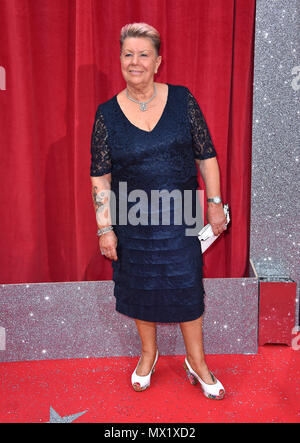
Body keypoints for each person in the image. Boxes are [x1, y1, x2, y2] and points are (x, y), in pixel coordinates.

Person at [90, 22, 227, 400]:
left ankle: (196, 361)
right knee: (140, 289)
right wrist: (106, 229)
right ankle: (148, 355)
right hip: (132, 221)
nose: (135, 62)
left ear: (158, 61)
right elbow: (100, 178)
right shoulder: (106, 114)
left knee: (187, 289)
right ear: (120, 60)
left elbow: (207, 157)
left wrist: (214, 205)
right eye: (128, 54)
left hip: (180, 213)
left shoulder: (183, 100)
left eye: (143, 54)